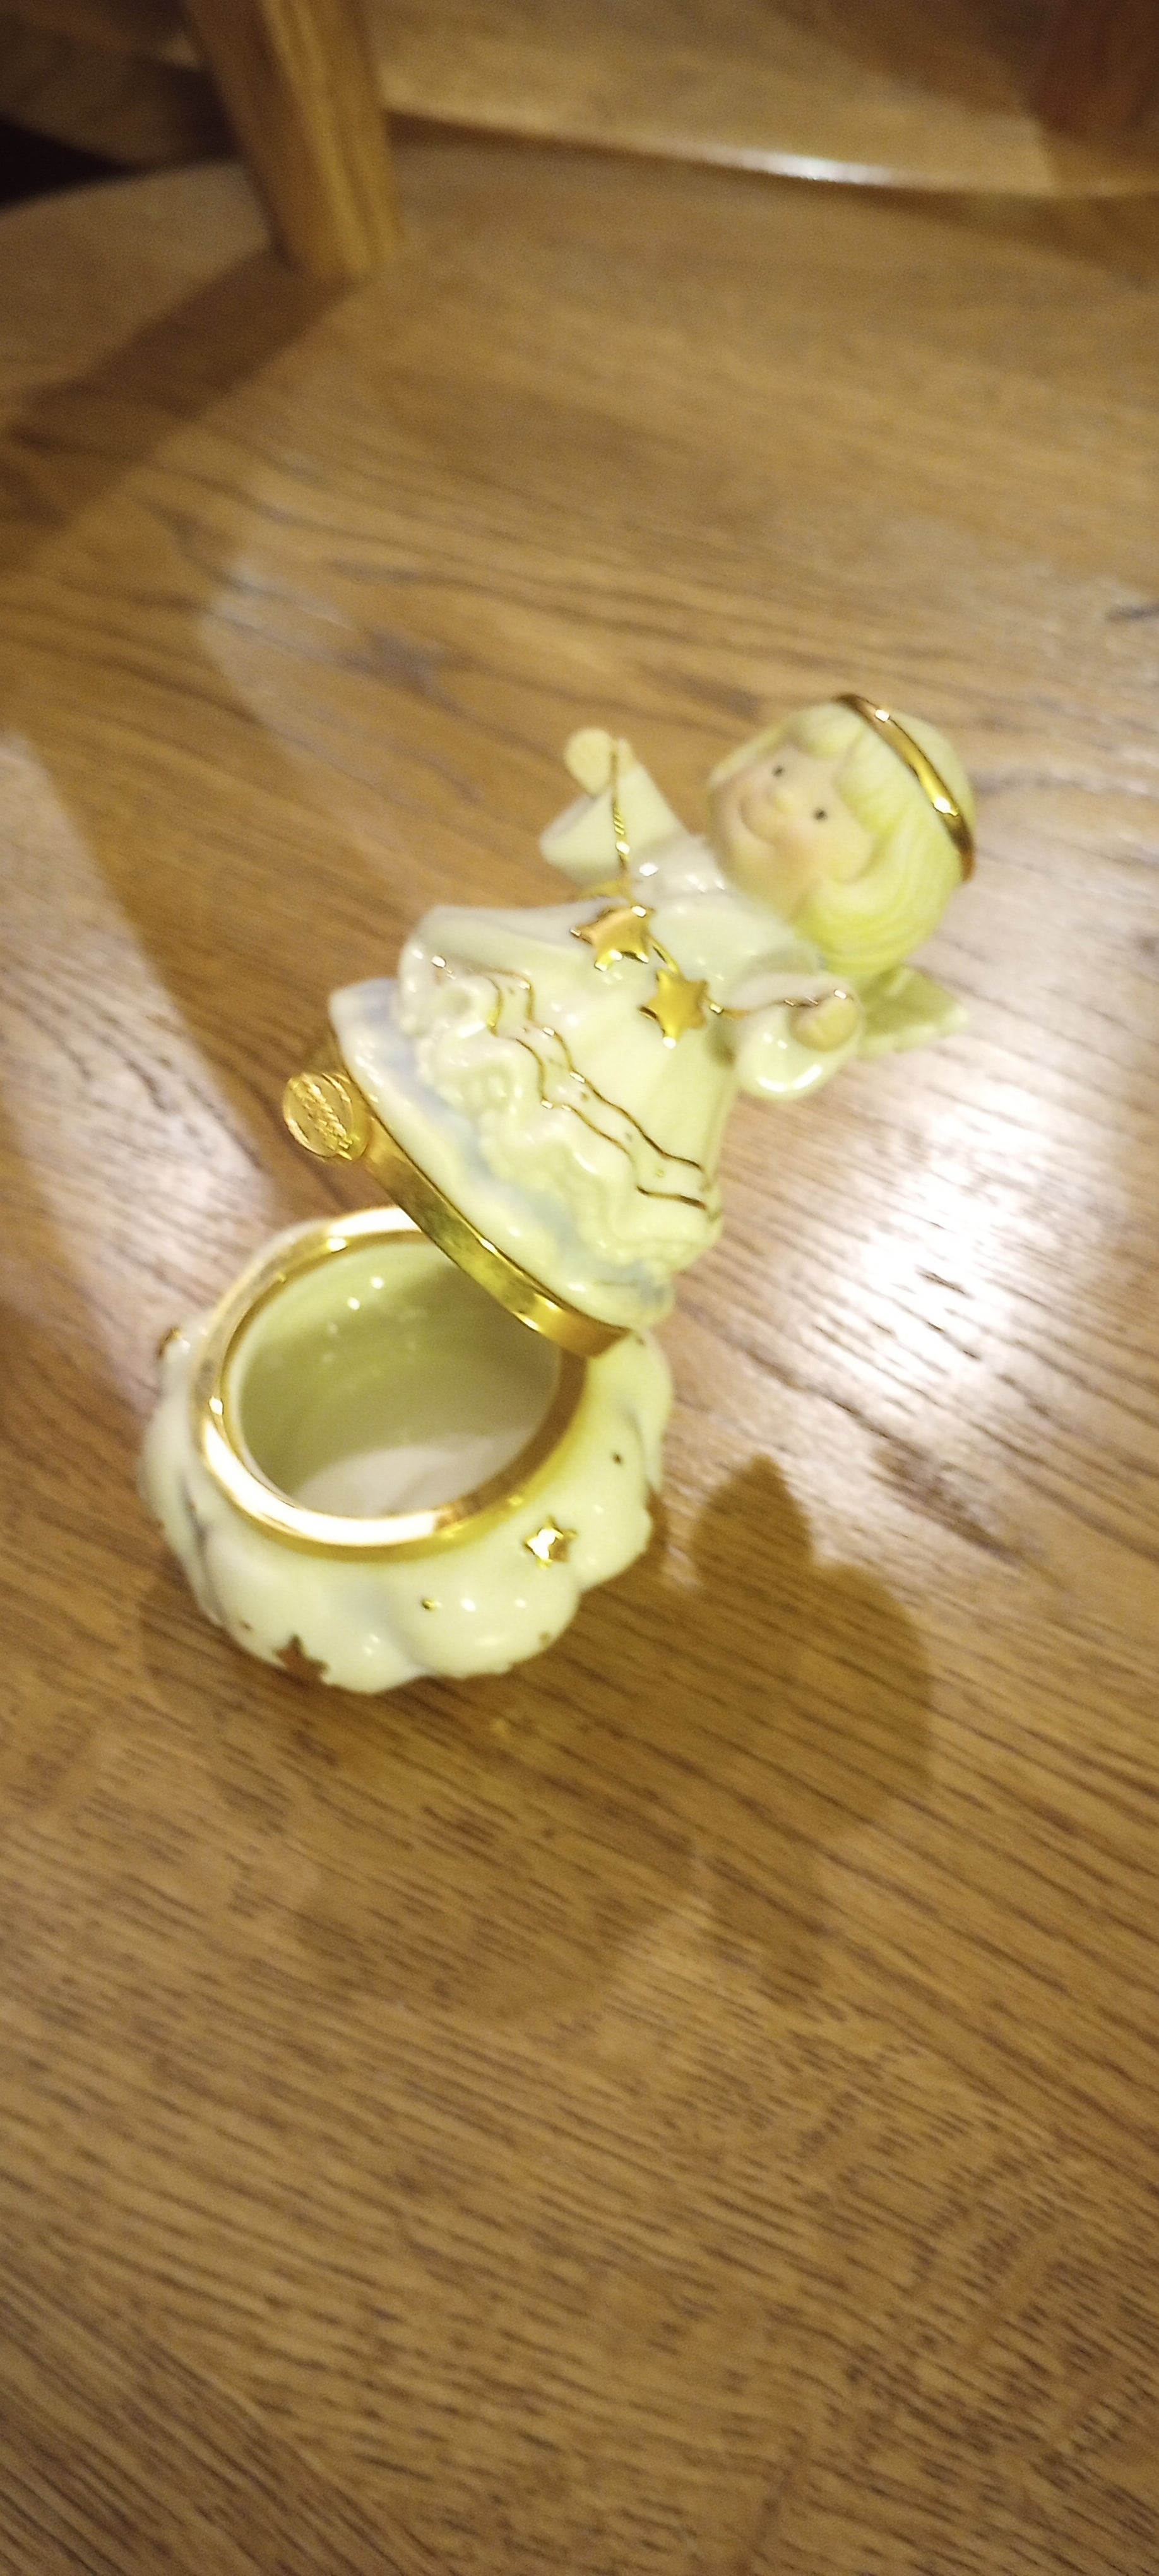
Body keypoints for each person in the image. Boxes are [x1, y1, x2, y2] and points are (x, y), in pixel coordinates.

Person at [328, 698, 974, 1331]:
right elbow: (639, 845)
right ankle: (439, 1100)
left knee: (570, 1136)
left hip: (645, 1064)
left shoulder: (775, 955)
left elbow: (767, 1008)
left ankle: (536, 1203)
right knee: (496, 1043)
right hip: (575, 971)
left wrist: (813, 1028)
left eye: (821, 813)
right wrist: (617, 787)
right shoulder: (686, 856)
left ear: (866, 894)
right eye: (780, 769)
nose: (778, 796)